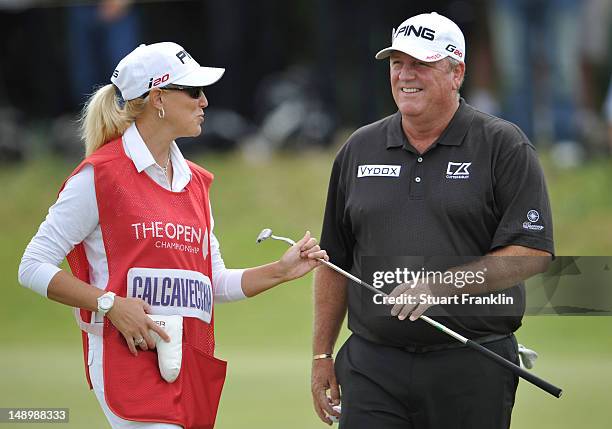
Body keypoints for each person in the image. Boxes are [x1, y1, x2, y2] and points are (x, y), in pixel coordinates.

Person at [18, 42, 328, 429]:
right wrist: (109, 304)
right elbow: (31, 266)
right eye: (194, 91)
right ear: (158, 98)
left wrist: (280, 271)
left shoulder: (195, 182)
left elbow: (209, 283)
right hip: (128, 361)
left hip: (188, 360)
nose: (205, 102)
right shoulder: (99, 175)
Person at [311, 12, 554, 428]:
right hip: (373, 365)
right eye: (396, 63)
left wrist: (441, 285)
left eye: (420, 63)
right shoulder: (359, 148)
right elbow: (334, 261)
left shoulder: (502, 145)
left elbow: (531, 252)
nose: (406, 75)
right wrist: (321, 355)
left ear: (456, 71)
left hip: (472, 361)